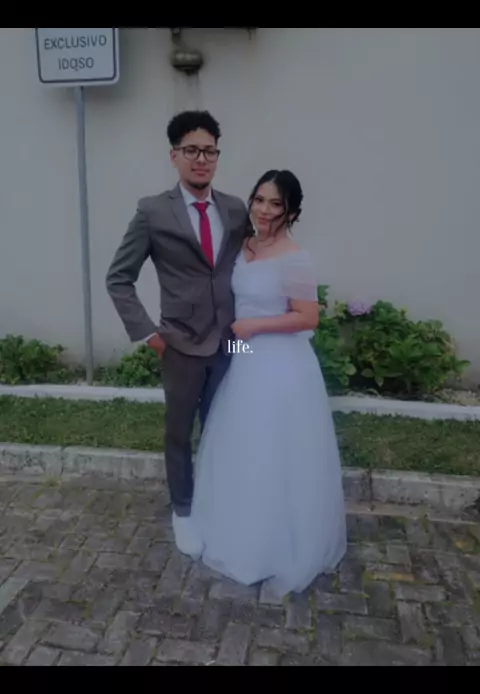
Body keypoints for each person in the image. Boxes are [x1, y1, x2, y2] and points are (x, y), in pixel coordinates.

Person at [191, 170, 347, 597]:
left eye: (275, 203)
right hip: (245, 357)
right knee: (241, 441)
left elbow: (308, 317)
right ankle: (237, 527)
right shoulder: (245, 246)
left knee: (273, 447)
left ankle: (276, 542)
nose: (264, 209)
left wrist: (255, 326)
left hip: (282, 364)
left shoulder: (294, 258)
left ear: (291, 211)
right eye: (259, 199)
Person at [106, 111, 249, 557]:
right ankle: (183, 512)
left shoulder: (235, 209)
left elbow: (252, 262)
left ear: (217, 156)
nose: (201, 159)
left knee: (227, 426)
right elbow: (118, 278)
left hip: (232, 340)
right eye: (191, 150)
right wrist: (149, 335)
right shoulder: (152, 212)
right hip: (180, 344)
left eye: (209, 151)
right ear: (174, 156)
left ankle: (221, 500)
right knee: (179, 432)